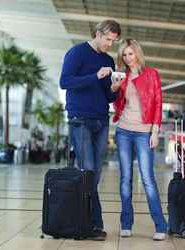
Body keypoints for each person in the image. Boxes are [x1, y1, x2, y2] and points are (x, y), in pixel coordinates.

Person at [60, 19, 121, 241]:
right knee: (87, 171)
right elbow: (64, 82)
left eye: (113, 41)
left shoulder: (108, 60)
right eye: (107, 39)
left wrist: (114, 89)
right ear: (98, 33)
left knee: (95, 174)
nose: (110, 45)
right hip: (80, 119)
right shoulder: (77, 53)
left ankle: (79, 218)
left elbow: (108, 96)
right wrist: (95, 76)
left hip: (101, 120)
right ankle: (93, 224)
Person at [112, 38, 167, 241]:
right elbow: (117, 104)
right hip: (124, 130)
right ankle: (126, 224)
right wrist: (114, 89)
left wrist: (155, 132)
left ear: (137, 53)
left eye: (130, 54)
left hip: (144, 132)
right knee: (125, 179)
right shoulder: (121, 77)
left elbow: (158, 103)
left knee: (148, 180)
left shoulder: (152, 75)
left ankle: (161, 225)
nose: (127, 58)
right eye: (124, 55)